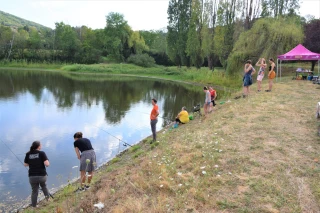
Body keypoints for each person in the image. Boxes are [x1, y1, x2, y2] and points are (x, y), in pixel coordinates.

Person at [24, 141, 50, 207]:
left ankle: (34, 206)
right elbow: (47, 164)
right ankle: (48, 200)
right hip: (42, 176)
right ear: (38, 146)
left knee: (34, 191)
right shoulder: (42, 153)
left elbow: (25, 164)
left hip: (32, 176)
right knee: (44, 186)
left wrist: (32, 162)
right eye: (41, 145)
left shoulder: (28, 154)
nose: (41, 146)